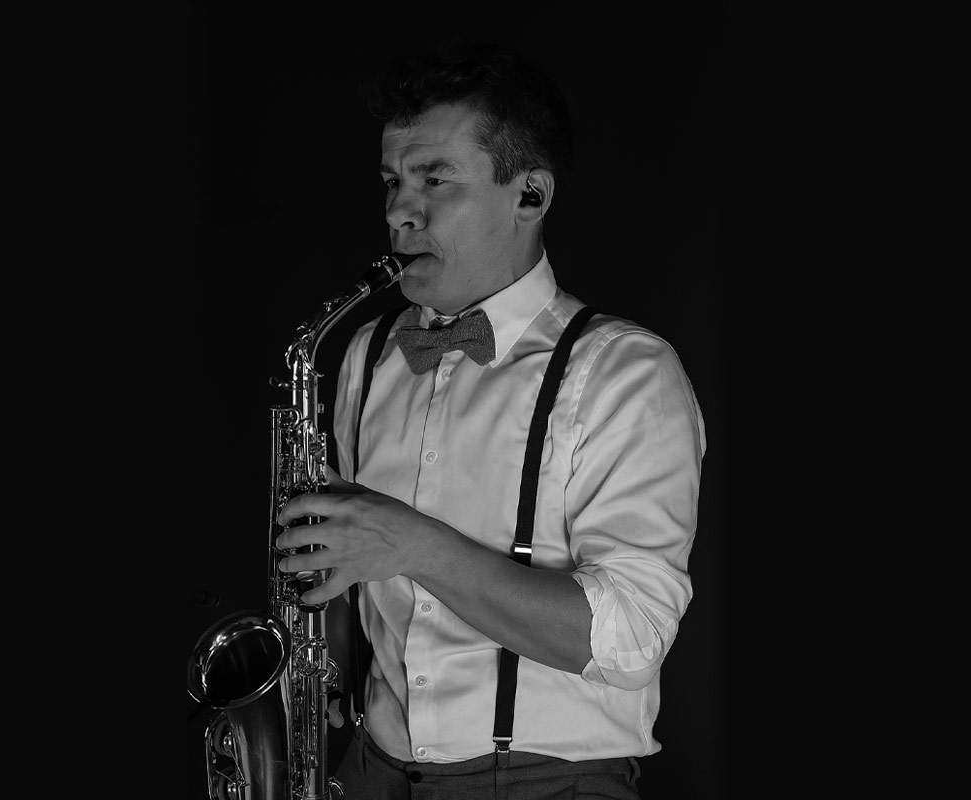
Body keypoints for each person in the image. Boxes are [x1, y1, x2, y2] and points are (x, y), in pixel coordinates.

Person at [274, 42, 706, 800]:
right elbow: (347, 570)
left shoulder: (625, 373)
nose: (398, 211)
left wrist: (413, 545)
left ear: (529, 194)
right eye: (392, 181)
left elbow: (630, 641)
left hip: (546, 784)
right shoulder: (368, 352)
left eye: (434, 178)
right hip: (370, 771)